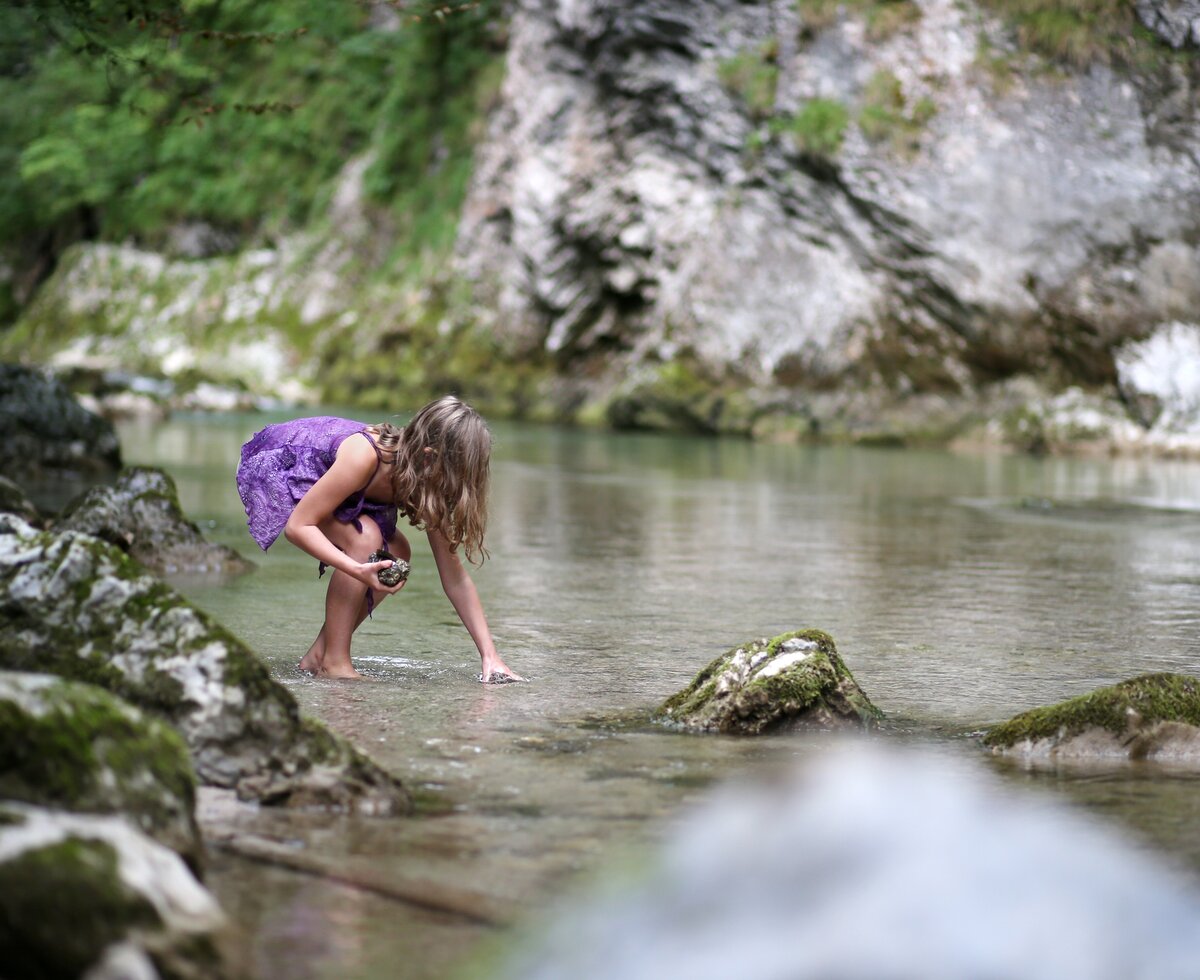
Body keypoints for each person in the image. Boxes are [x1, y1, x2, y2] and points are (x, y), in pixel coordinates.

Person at [235, 395, 521, 683]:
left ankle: (318, 656)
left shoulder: (427, 481)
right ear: (429, 456)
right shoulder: (366, 456)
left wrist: (490, 656)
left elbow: (455, 577)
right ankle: (335, 662)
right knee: (366, 538)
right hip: (286, 465)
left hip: (342, 487)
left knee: (397, 551)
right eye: (456, 476)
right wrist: (356, 569)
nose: (457, 487)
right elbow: (298, 527)